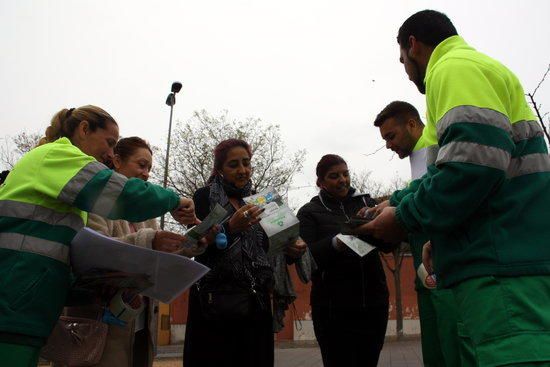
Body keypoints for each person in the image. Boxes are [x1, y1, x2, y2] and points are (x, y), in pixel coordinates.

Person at [359, 10, 550, 366]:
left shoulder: (451, 68)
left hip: (499, 269)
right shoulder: (475, 68)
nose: (405, 69)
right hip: (501, 259)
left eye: (402, 60)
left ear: (413, 45)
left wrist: (403, 218)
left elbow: (471, 166)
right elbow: (467, 170)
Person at [0, 105, 196, 367]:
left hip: (28, 305)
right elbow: (123, 195)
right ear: (83, 129)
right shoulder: (58, 155)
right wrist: (175, 199)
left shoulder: (70, 197)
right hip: (14, 301)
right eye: (110, 142)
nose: (111, 154)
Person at [67, 136, 205, 367]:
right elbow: (92, 253)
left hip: (140, 326)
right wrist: (150, 240)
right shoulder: (95, 202)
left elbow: (159, 256)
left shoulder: (148, 214)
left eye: (150, 168)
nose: (147, 173)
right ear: (117, 161)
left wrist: (191, 242)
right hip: (98, 328)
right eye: (141, 165)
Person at [183, 138, 307, 367]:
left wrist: (292, 249)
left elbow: (272, 249)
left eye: (247, 163)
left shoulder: (264, 201)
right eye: (233, 165)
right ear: (219, 169)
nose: (243, 170)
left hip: (255, 302)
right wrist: (230, 228)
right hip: (214, 304)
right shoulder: (203, 197)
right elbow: (193, 247)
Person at [373, 101, 461, 366]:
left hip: (443, 269)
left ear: (412, 124)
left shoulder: (430, 146)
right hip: (430, 272)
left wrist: (394, 203)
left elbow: (430, 193)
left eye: (391, 136)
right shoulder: (418, 155)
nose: (388, 145)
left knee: (449, 348)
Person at [296, 154, 389, 367]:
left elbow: (388, 245)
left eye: (345, 174)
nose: (343, 180)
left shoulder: (367, 203)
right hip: (332, 312)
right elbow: (305, 260)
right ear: (320, 182)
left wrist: (386, 224)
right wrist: (335, 243)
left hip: (373, 305)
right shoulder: (309, 212)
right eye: (334, 176)